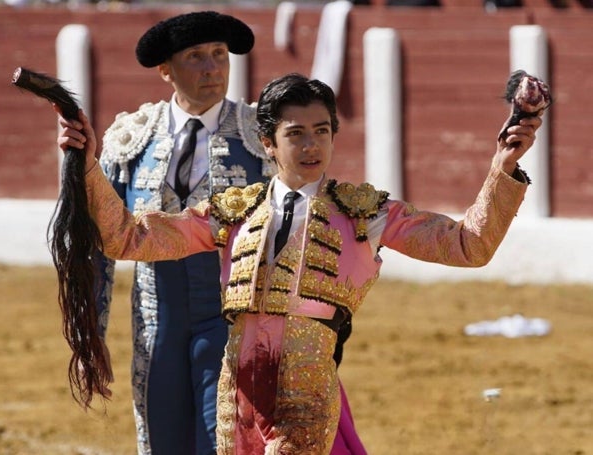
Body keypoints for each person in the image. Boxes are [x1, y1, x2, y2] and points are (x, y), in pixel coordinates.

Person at [58, 73, 541, 453]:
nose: (312, 146)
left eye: (322, 131)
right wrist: (87, 165)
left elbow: (467, 245)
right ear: (268, 142)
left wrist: (504, 166)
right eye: (296, 134)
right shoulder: (234, 210)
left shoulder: (365, 212)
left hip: (308, 382)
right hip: (237, 386)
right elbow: (128, 239)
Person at [79, 11, 274, 455]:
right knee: (161, 440)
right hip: (155, 321)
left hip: (233, 318)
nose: (212, 68)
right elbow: (98, 242)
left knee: (223, 441)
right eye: (196, 57)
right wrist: (92, 332)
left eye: (219, 55)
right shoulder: (132, 138)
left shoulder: (261, 135)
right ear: (166, 70)